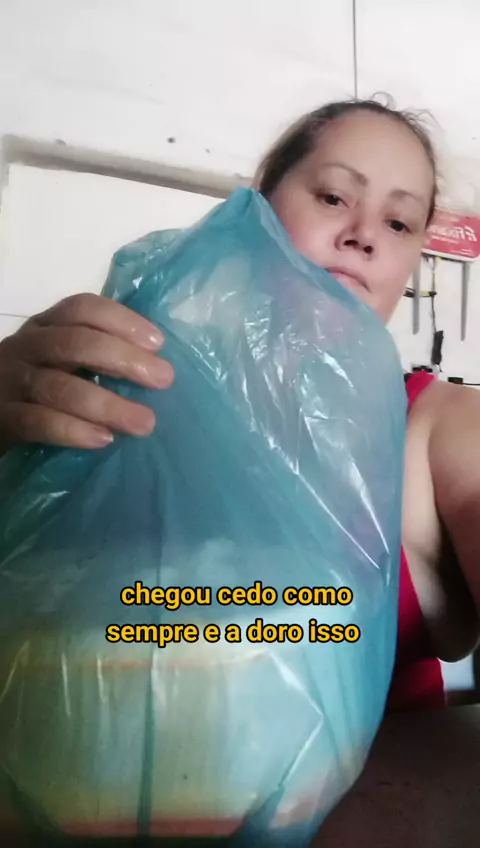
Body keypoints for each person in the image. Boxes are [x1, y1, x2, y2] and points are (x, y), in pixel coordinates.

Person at [0, 98, 479, 713]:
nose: (363, 236)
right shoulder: (127, 383)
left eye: (399, 223)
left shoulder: (436, 425)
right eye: (334, 197)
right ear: (257, 210)